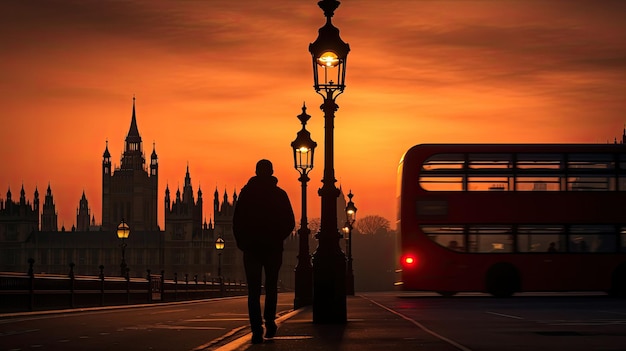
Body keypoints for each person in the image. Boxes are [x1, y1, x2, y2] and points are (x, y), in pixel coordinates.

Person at [233, 159, 295, 344]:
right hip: (272, 249)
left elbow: (237, 222)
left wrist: (243, 243)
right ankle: (269, 321)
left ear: (256, 172)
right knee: (271, 287)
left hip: (251, 249)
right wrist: (277, 237)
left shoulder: (246, 195)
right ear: (272, 172)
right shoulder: (280, 194)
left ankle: (256, 329)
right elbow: (290, 222)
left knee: (253, 291)